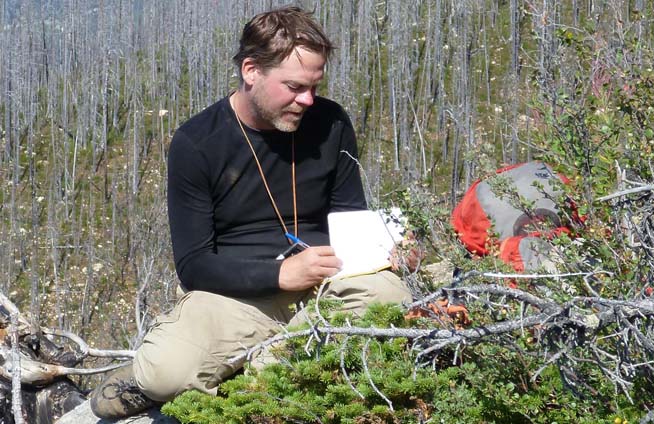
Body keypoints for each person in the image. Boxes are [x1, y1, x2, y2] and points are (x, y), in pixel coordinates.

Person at [90, 6, 412, 419]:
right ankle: (226, 365)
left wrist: (386, 249)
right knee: (164, 373)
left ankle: (260, 366)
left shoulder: (331, 123)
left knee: (392, 296)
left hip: (327, 286)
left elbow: (350, 216)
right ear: (251, 70)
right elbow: (194, 266)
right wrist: (280, 275)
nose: (308, 100)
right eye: (294, 87)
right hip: (236, 297)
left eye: (314, 86)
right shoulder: (197, 142)